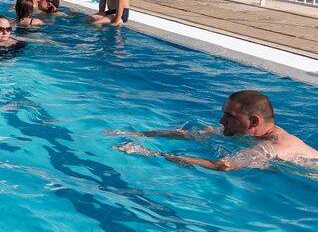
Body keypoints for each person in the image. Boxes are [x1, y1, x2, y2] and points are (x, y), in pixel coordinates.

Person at [113, 90, 318, 171]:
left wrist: (152, 153)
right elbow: (194, 133)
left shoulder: (272, 146)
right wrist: (142, 134)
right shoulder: (248, 133)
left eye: (230, 117)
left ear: (254, 121)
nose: (221, 121)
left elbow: (222, 165)